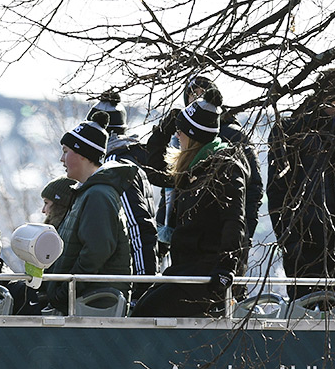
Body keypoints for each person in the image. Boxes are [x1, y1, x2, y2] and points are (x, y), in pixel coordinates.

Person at [132, 89, 249, 318]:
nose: (177, 135)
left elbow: (234, 220)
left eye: (180, 131)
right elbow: (154, 171)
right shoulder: (193, 168)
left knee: (145, 313)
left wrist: (226, 268)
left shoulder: (224, 168)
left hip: (205, 275)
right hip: (184, 271)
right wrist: (163, 130)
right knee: (141, 309)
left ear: (194, 136)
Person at [266, 74, 335, 301]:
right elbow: (276, 193)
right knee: (303, 314)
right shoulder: (291, 131)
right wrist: (289, 240)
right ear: (330, 98)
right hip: (304, 246)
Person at [44, 112, 135, 314]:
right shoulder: (88, 192)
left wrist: (65, 292)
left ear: (83, 154)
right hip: (85, 304)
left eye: (65, 151)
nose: (61, 158)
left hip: (94, 307)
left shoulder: (98, 195)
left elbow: (96, 251)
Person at [88, 90, 159, 297]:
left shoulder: (114, 167)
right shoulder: (132, 160)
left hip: (124, 282)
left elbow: (138, 226)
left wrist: (142, 283)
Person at [183, 76, 264, 245]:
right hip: (187, 238)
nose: (198, 97)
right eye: (193, 94)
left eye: (203, 93)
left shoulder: (235, 135)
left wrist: (244, 234)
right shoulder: (180, 136)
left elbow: (254, 187)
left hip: (226, 238)